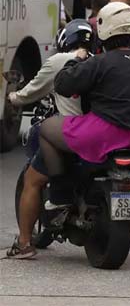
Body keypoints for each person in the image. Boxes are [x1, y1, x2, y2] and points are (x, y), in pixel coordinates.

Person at [41, 3, 130, 233]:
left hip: (103, 133)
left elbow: (63, 84)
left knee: (45, 129)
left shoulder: (98, 61)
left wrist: (77, 59)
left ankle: (60, 195)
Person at [5, 21, 92, 259]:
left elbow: (31, 92)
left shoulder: (59, 61)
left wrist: (12, 97)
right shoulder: (98, 60)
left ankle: (24, 244)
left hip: (69, 132)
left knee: (32, 180)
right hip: (97, 133)